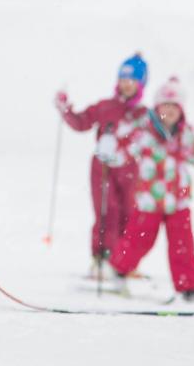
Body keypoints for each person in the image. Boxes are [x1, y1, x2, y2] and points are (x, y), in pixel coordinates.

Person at [102, 77, 194, 302]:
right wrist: (109, 150)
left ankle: (189, 288)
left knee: (183, 246)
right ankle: (118, 269)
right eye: (165, 105)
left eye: (175, 107)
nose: (170, 111)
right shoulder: (143, 130)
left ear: (181, 110)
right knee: (138, 241)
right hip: (149, 201)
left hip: (178, 201)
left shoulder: (185, 134)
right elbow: (123, 152)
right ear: (157, 107)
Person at [55, 53, 148, 271]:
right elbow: (81, 123)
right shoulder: (106, 106)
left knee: (129, 213)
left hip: (130, 169)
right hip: (103, 168)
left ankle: (123, 265)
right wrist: (65, 110)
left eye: (132, 80)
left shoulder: (143, 114)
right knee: (107, 211)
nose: (126, 85)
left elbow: (148, 140)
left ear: (141, 84)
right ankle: (102, 259)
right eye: (123, 80)